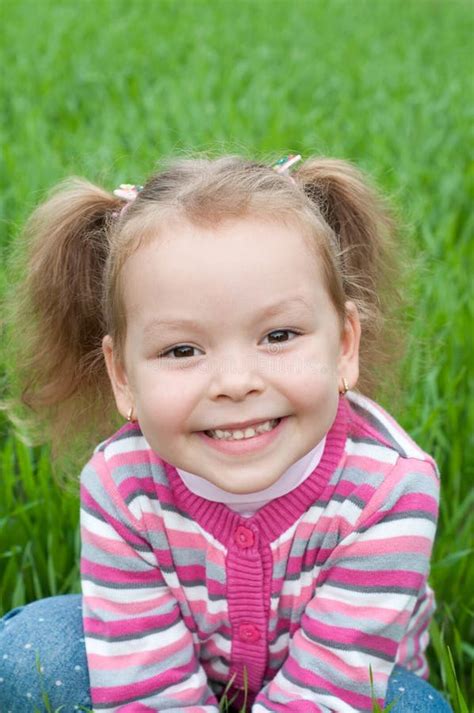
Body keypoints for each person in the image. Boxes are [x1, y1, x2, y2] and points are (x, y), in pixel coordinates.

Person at [0, 155, 452, 712]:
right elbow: (147, 687)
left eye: (279, 335)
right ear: (123, 376)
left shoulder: (388, 488)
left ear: (344, 345)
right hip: (182, 675)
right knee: (32, 649)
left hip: (347, 693)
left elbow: (334, 691)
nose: (235, 383)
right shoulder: (121, 487)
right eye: (182, 350)